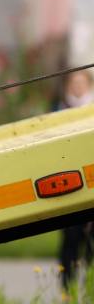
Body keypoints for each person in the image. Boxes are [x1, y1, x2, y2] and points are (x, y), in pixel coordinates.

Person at [56, 69, 93, 290]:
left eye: (82, 82)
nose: (78, 87)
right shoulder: (59, 110)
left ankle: (90, 289)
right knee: (70, 241)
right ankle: (67, 292)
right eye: (74, 82)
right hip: (66, 182)